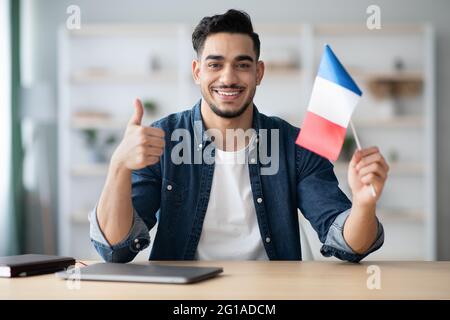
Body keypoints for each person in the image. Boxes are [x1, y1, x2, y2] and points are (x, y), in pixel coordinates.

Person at [89, 9, 388, 263]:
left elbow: (350, 245)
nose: (228, 77)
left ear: (258, 73)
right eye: (215, 64)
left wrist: (363, 204)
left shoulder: (294, 146)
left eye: (242, 65)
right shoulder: (161, 140)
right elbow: (116, 249)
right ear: (197, 72)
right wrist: (119, 165)